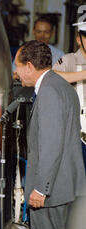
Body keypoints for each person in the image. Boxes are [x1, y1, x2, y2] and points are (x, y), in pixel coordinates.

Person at [14, 40, 86, 229]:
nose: (17, 73)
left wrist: (40, 189)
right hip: (67, 185)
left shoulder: (49, 92)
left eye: (18, 67)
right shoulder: (60, 85)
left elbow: (51, 145)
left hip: (52, 190)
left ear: (30, 66)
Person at [53, 21, 86, 170]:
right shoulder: (69, 60)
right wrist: (83, 74)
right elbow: (52, 77)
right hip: (78, 131)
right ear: (79, 40)